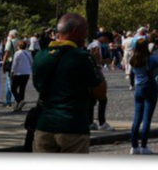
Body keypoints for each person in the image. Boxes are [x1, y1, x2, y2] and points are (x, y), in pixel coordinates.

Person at [30, 13, 106, 154]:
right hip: (73, 127)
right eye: (86, 30)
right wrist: (97, 65)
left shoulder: (40, 55)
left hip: (44, 125)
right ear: (75, 31)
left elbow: (38, 86)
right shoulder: (82, 57)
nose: (87, 34)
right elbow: (101, 93)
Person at [128, 38, 158, 154]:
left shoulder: (133, 59)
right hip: (150, 86)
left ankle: (134, 145)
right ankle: (144, 146)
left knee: (137, 118)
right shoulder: (150, 59)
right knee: (147, 119)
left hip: (138, 87)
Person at [10, 40, 33, 109]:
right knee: (22, 88)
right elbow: (32, 62)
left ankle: (19, 101)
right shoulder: (28, 53)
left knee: (13, 88)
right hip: (26, 73)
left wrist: (12, 71)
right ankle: (20, 105)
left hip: (18, 73)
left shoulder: (17, 53)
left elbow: (15, 64)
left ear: (19, 46)